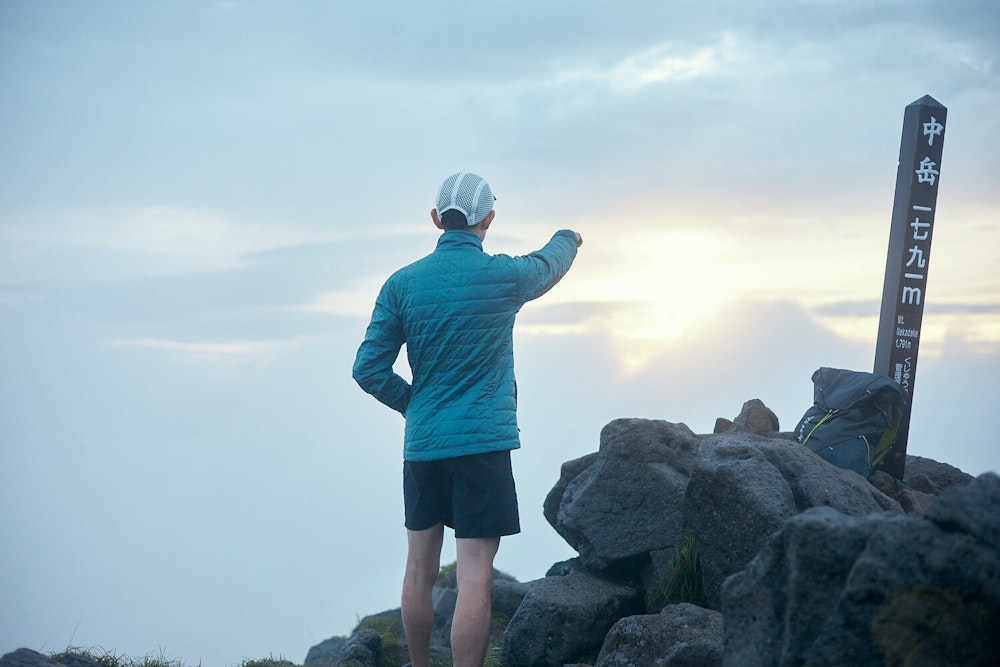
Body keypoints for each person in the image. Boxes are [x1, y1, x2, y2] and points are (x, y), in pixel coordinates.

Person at [352, 172, 582, 667]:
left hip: (425, 446)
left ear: (436, 219)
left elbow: (367, 368)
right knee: (474, 576)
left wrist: (414, 404)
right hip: (482, 444)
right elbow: (549, 263)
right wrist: (569, 236)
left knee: (418, 571)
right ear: (489, 219)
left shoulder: (401, 283)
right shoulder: (503, 276)